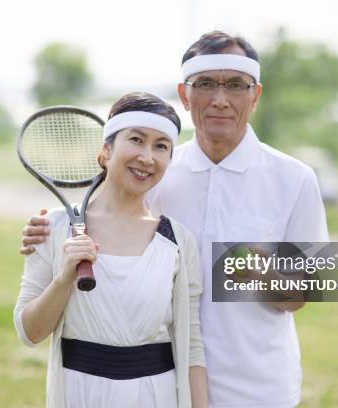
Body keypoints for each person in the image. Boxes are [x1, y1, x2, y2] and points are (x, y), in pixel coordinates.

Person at [21, 32, 329, 408]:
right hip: (166, 387)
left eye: (235, 85)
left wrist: (257, 272)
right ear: (184, 95)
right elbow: (108, 218)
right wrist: (49, 232)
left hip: (261, 389)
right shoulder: (156, 172)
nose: (220, 99)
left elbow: (300, 295)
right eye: (205, 85)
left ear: (255, 95)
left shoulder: (295, 179)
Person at [13, 92, 209, 408]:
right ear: (105, 152)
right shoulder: (52, 226)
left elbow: (192, 346)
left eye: (161, 146)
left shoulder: (177, 240)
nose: (148, 157)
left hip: (155, 396)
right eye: (136, 140)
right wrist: (64, 278)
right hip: (80, 394)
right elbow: (29, 332)